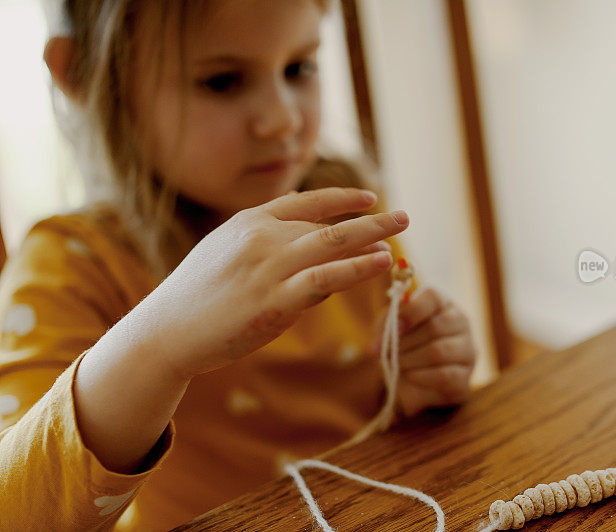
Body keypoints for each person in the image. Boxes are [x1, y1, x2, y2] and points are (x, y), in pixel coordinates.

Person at [0, 1, 477, 529]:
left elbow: (397, 399)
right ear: (85, 77)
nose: (283, 120)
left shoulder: (346, 213)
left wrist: (423, 378)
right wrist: (158, 347)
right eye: (222, 81)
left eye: (298, 68)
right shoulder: (71, 266)